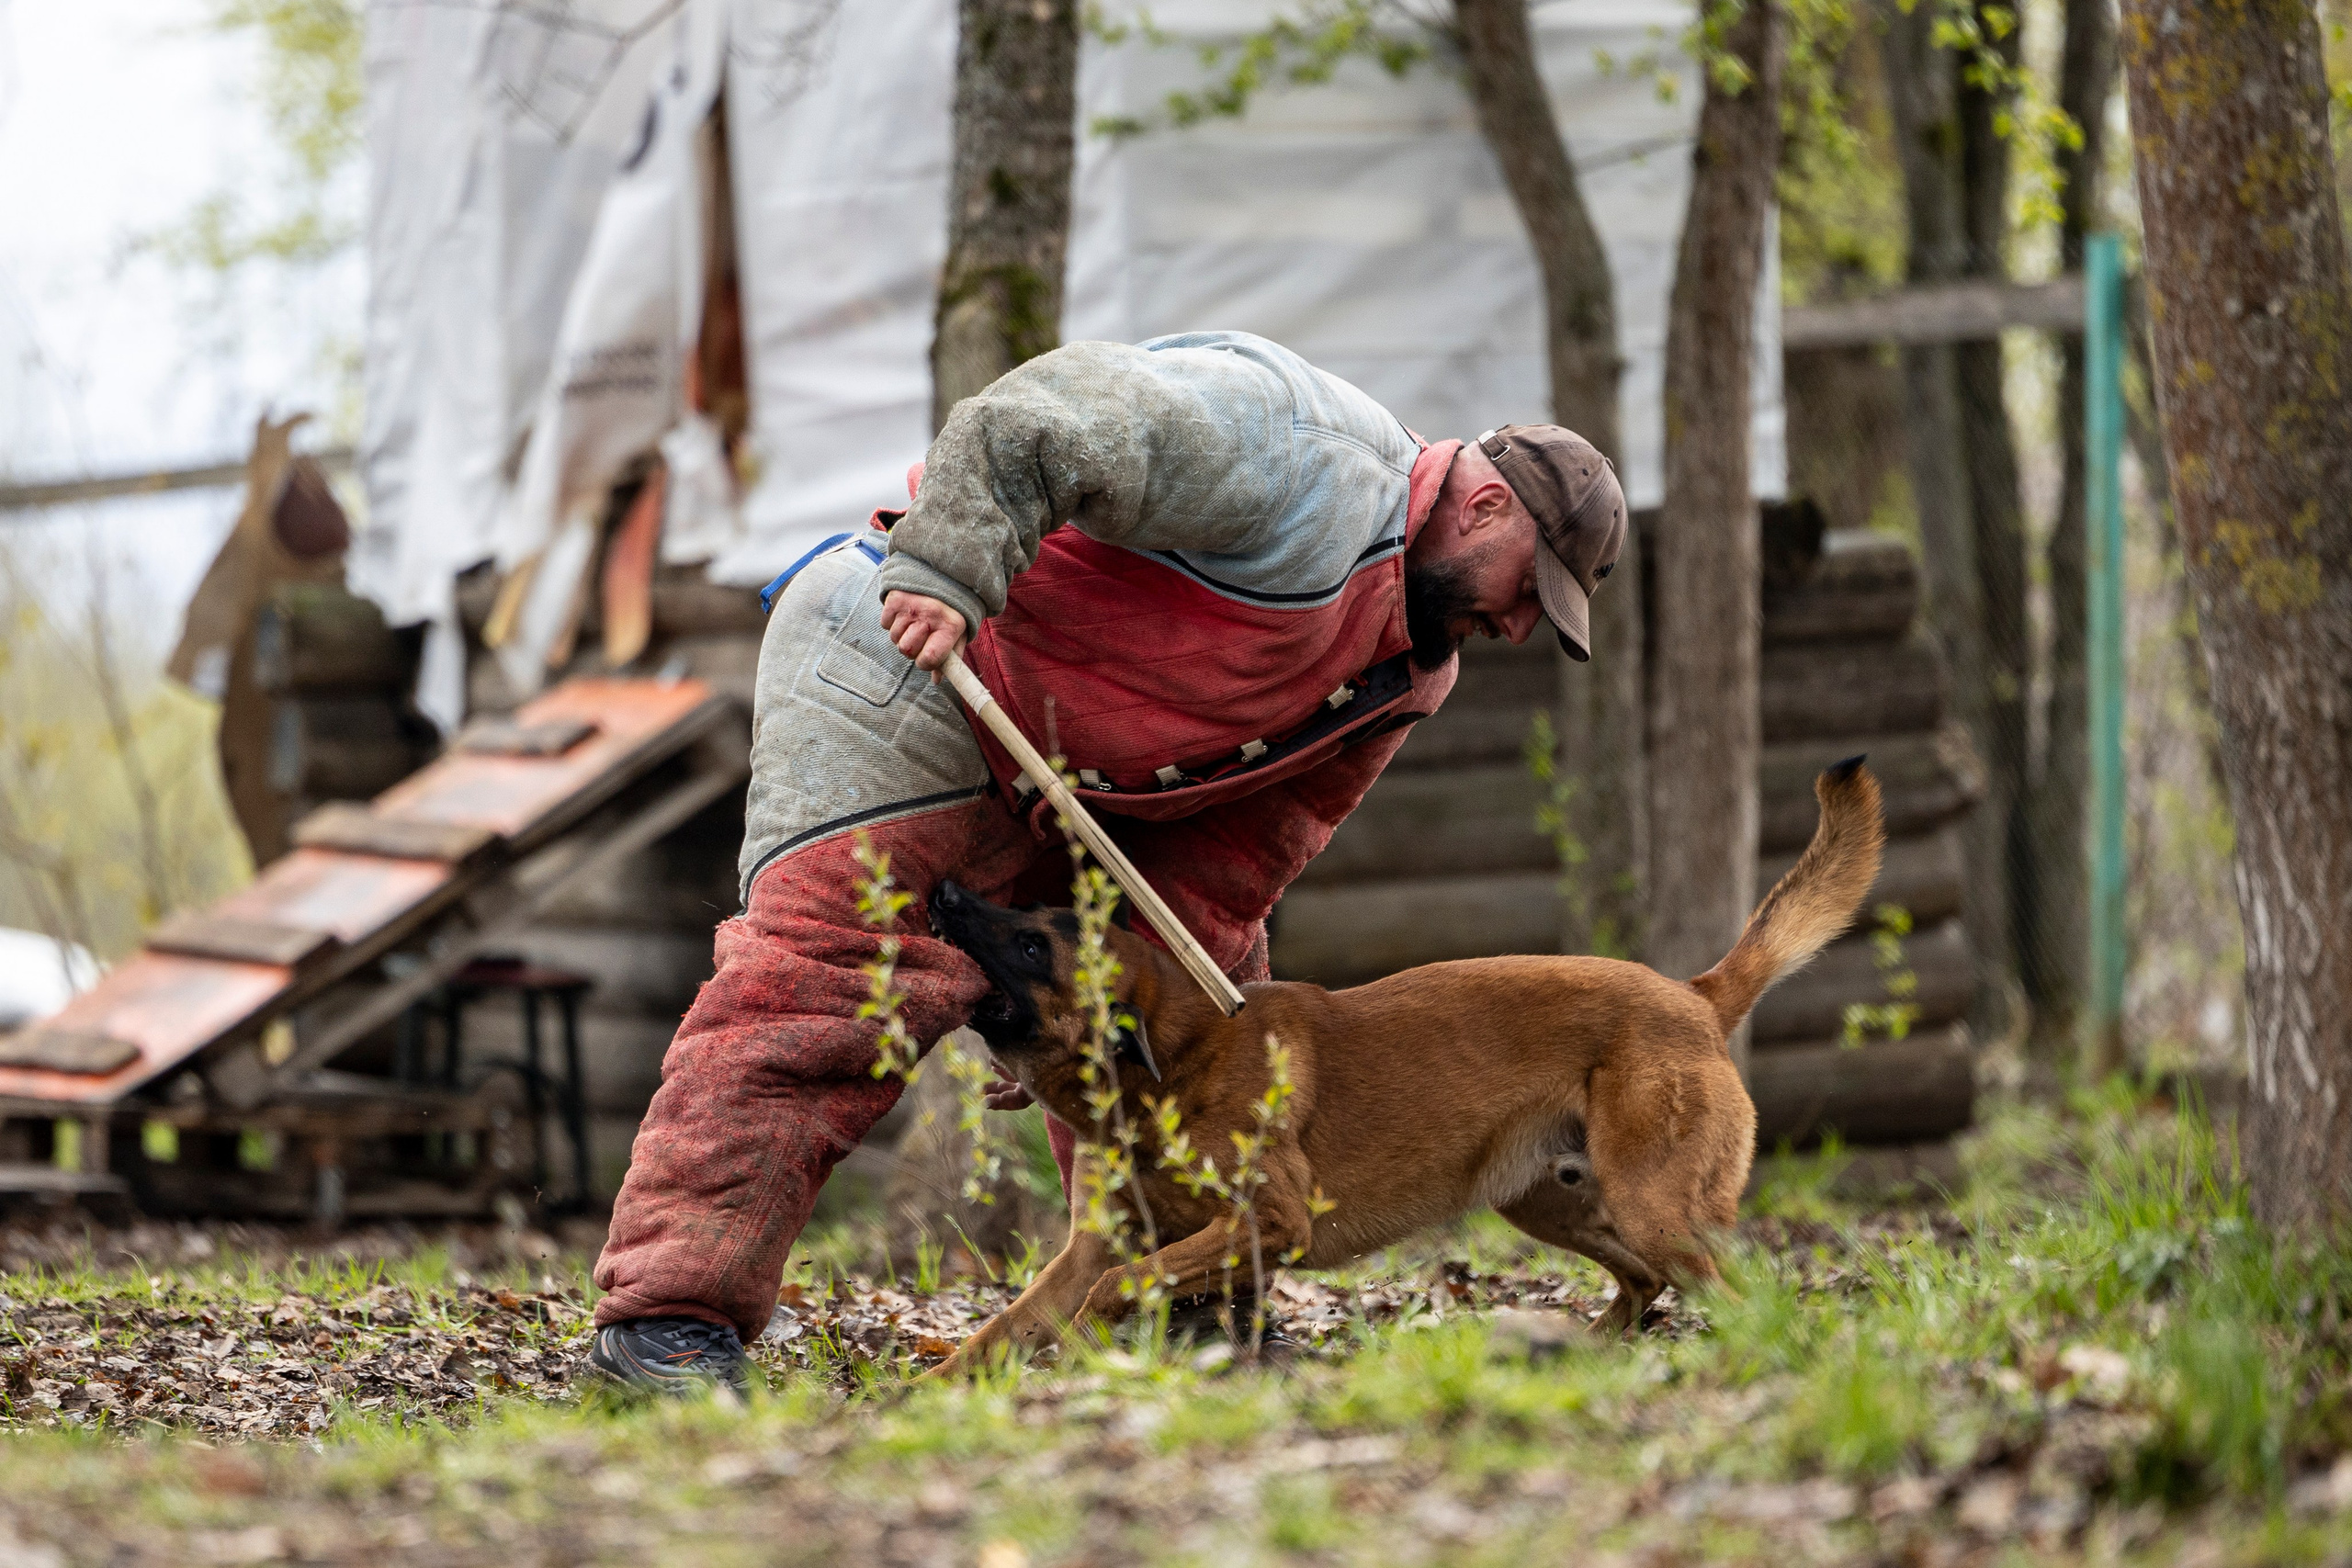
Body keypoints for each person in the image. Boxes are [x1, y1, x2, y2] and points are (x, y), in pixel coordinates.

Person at [586, 330, 1626, 1393]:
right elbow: (1041, 416)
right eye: (1527, 590)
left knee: (1206, 1013)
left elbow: (1238, 854)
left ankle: (1185, 1305)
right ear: (1485, 508)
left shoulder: (1410, 669)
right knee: (830, 982)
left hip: (1079, 771)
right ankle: (668, 1321)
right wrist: (947, 568)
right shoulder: (1293, 443)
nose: (1515, 628)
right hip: (918, 659)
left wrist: (1091, 1010)